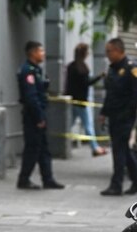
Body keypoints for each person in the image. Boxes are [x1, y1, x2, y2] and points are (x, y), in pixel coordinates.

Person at [99, 38, 137, 196]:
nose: (107, 55)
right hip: (114, 115)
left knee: (119, 150)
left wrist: (127, 114)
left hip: (125, 117)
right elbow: (110, 94)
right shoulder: (113, 69)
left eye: (109, 51)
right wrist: (104, 113)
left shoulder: (131, 68)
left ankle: (116, 184)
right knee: (123, 149)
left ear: (119, 50)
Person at [16, 41, 65, 190]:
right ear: (33, 53)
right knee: (32, 149)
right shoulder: (27, 71)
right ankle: (23, 179)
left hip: (39, 113)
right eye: (40, 51)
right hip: (33, 116)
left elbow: (39, 91)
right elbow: (31, 97)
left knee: (43, 148)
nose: (43, 54)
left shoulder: (36, 70)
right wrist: (39, 118)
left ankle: (48, 179)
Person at [64, 43, 107, 157]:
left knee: (69, 123)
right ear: (84, 54)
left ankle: (59, 143)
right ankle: (95, 147)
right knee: (88, 125)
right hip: (82, 101)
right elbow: (87, 83)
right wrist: (99, 77)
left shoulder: (70, 67)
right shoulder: (83, 68)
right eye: (87, 52)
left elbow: (68, 84)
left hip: (72, 100)